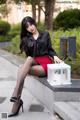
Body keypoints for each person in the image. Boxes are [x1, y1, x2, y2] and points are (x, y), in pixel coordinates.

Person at [8, 16, 62, 117]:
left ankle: (16, 98)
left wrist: (55, 56)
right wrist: (27, 44)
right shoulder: (26, 39)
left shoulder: (45, 34)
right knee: (28, 59)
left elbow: (49, 49)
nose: (30, 27)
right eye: (27, 27)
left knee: (21, 68)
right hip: (34, 61)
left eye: (31, 24)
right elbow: (29, 56)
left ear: (34, 23)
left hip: (45, 63)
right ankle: (17, 98)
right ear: (26, 29)